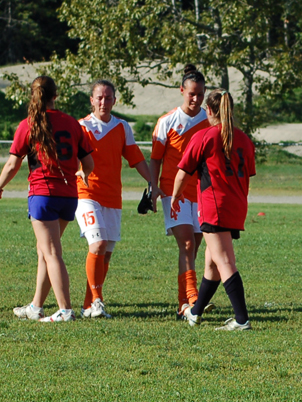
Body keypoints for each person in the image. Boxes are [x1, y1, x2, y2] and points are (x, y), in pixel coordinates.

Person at [0, 76, 94, 322]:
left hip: (43, 194)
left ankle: (65, 309)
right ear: (55, 96)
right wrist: (83, 173)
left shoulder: (29, 124)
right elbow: (88, 162)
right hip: (69, 196)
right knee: (45, 251)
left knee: (51, 253)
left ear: (33, 95)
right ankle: (36, 306)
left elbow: (11, 164)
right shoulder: (72, 123)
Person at [74, 80, 159, 318]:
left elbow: (135, 158)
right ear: (91, 100)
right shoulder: (80, 127)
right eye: (99, 97)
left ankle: (87, 305)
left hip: (113, 197)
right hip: (86, 194)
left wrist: (153, 182)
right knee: (97, 245)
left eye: (108, 97)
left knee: (106, 253)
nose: (104, 102)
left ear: (114, 100)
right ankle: (98, 301)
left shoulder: (122, 127)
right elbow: (71, 159)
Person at [175, 89, 256, 331]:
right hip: (236, 205)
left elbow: (183, 171)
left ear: (208, 110)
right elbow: (248, 173)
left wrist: (175, 196)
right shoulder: (243, 138)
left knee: (223, 261)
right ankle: (195, 313)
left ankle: (242, 320)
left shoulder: (205, 136)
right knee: (212, 263)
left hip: (215, 206)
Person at [150, 64, 212, 319]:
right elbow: (155, 159)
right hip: (172, 191)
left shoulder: (209, 120)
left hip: (201, 191)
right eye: (191, 94)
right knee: (186, 243)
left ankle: (182, 305)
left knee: (192, 249)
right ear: (182, 91)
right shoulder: (167, 121)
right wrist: (153, 188)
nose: (196, 99)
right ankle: (194, 297)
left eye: (200, 94)